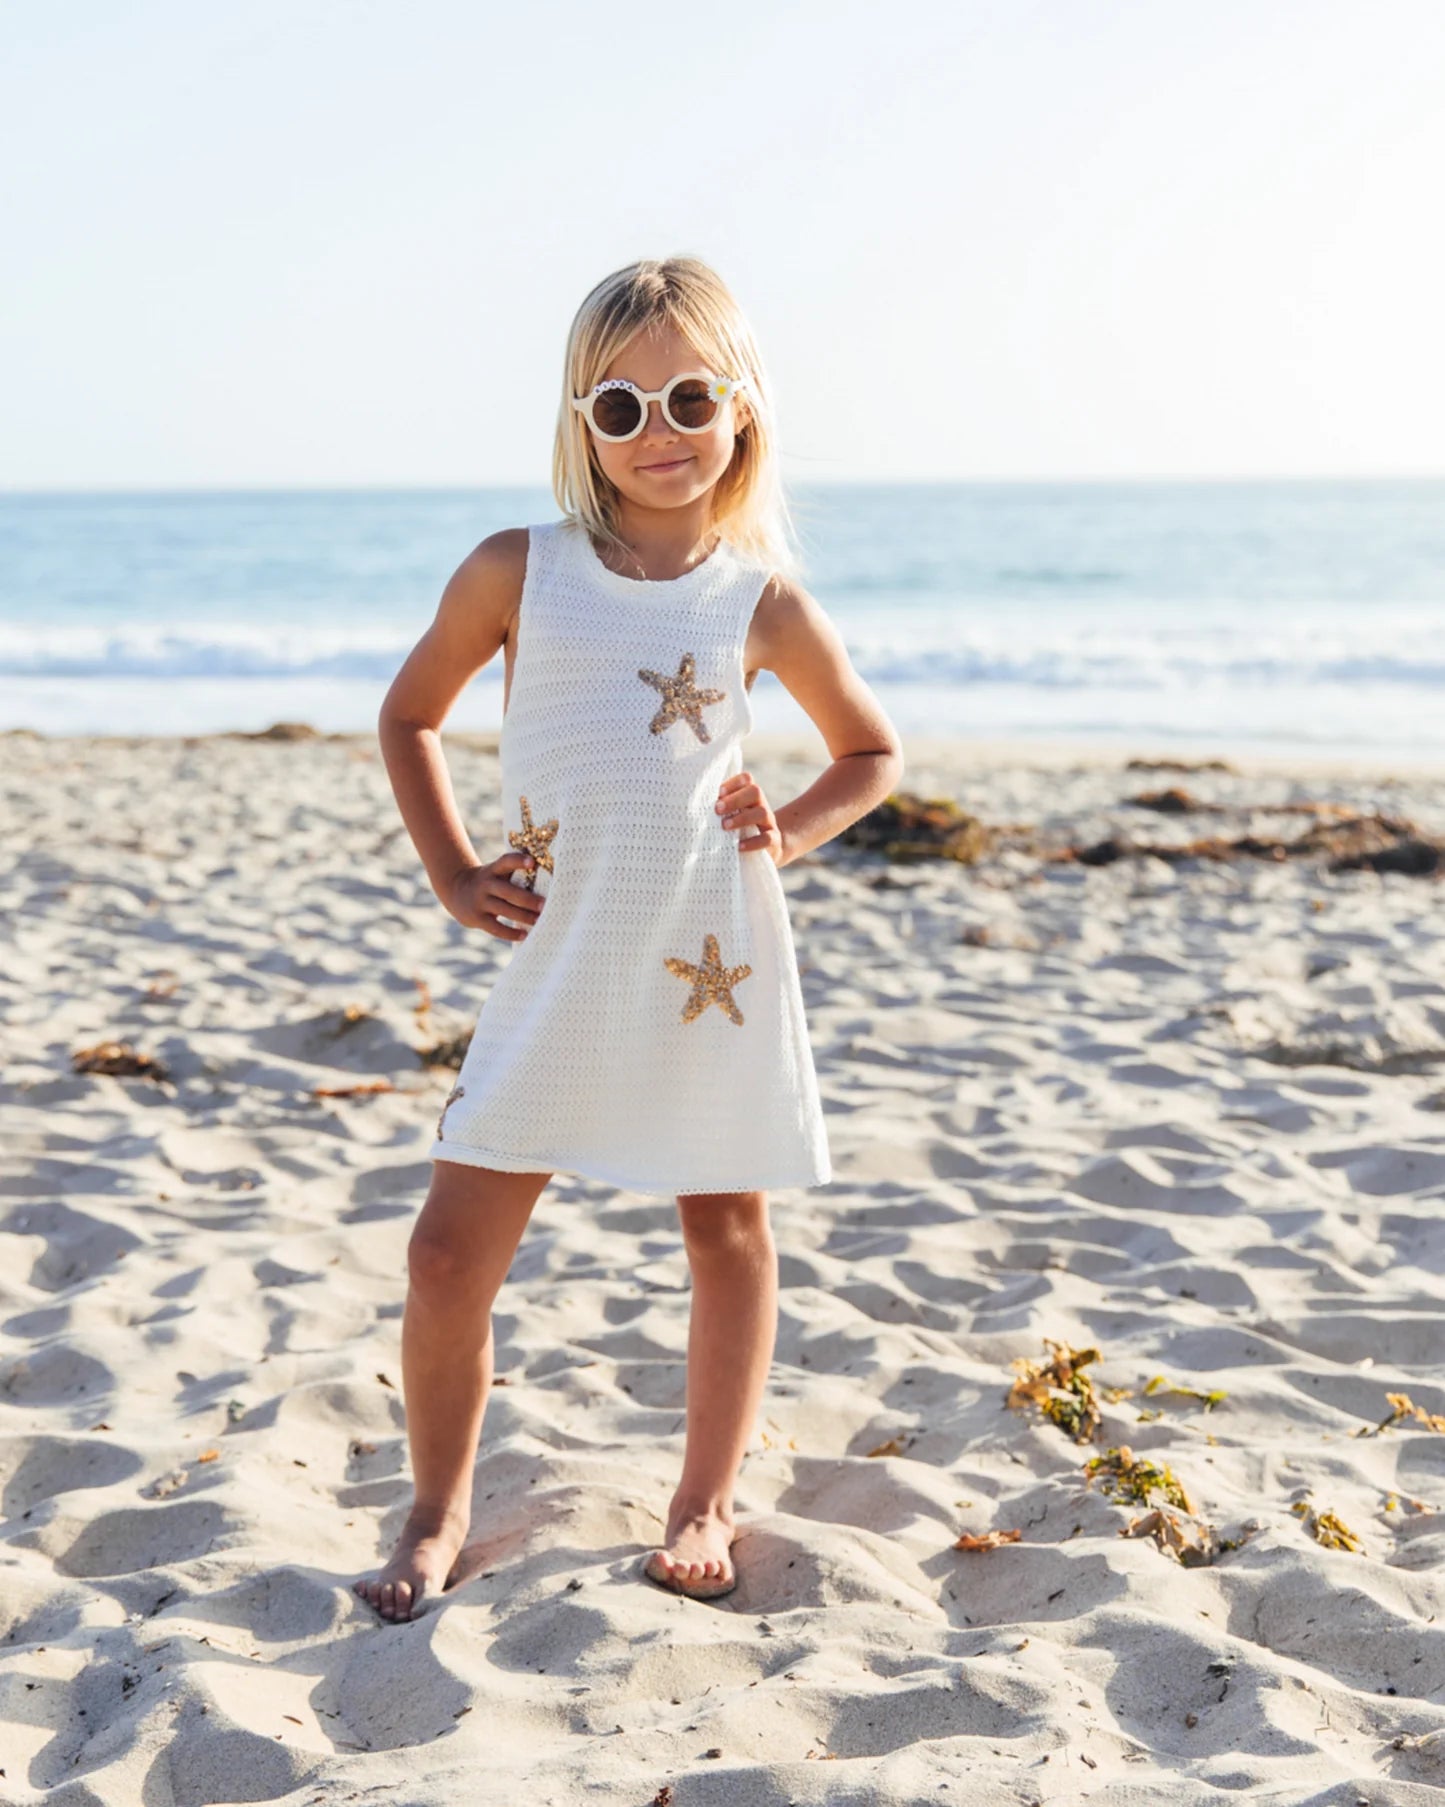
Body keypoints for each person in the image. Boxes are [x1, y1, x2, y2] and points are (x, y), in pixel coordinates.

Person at [357, 254, 904, 1621]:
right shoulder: (515, 572)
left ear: (741, 411)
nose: (658, 434)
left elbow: (871, 750)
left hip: (705, 961)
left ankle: (705, 1498)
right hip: (559, 963)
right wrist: (448, 867)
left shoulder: (758, 600)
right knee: (444, 1251)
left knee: (725, 1229)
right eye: (620, 408)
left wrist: (790, 824)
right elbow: (408, 715)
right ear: (579, 423)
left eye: (686, 398)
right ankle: (435, 1505)